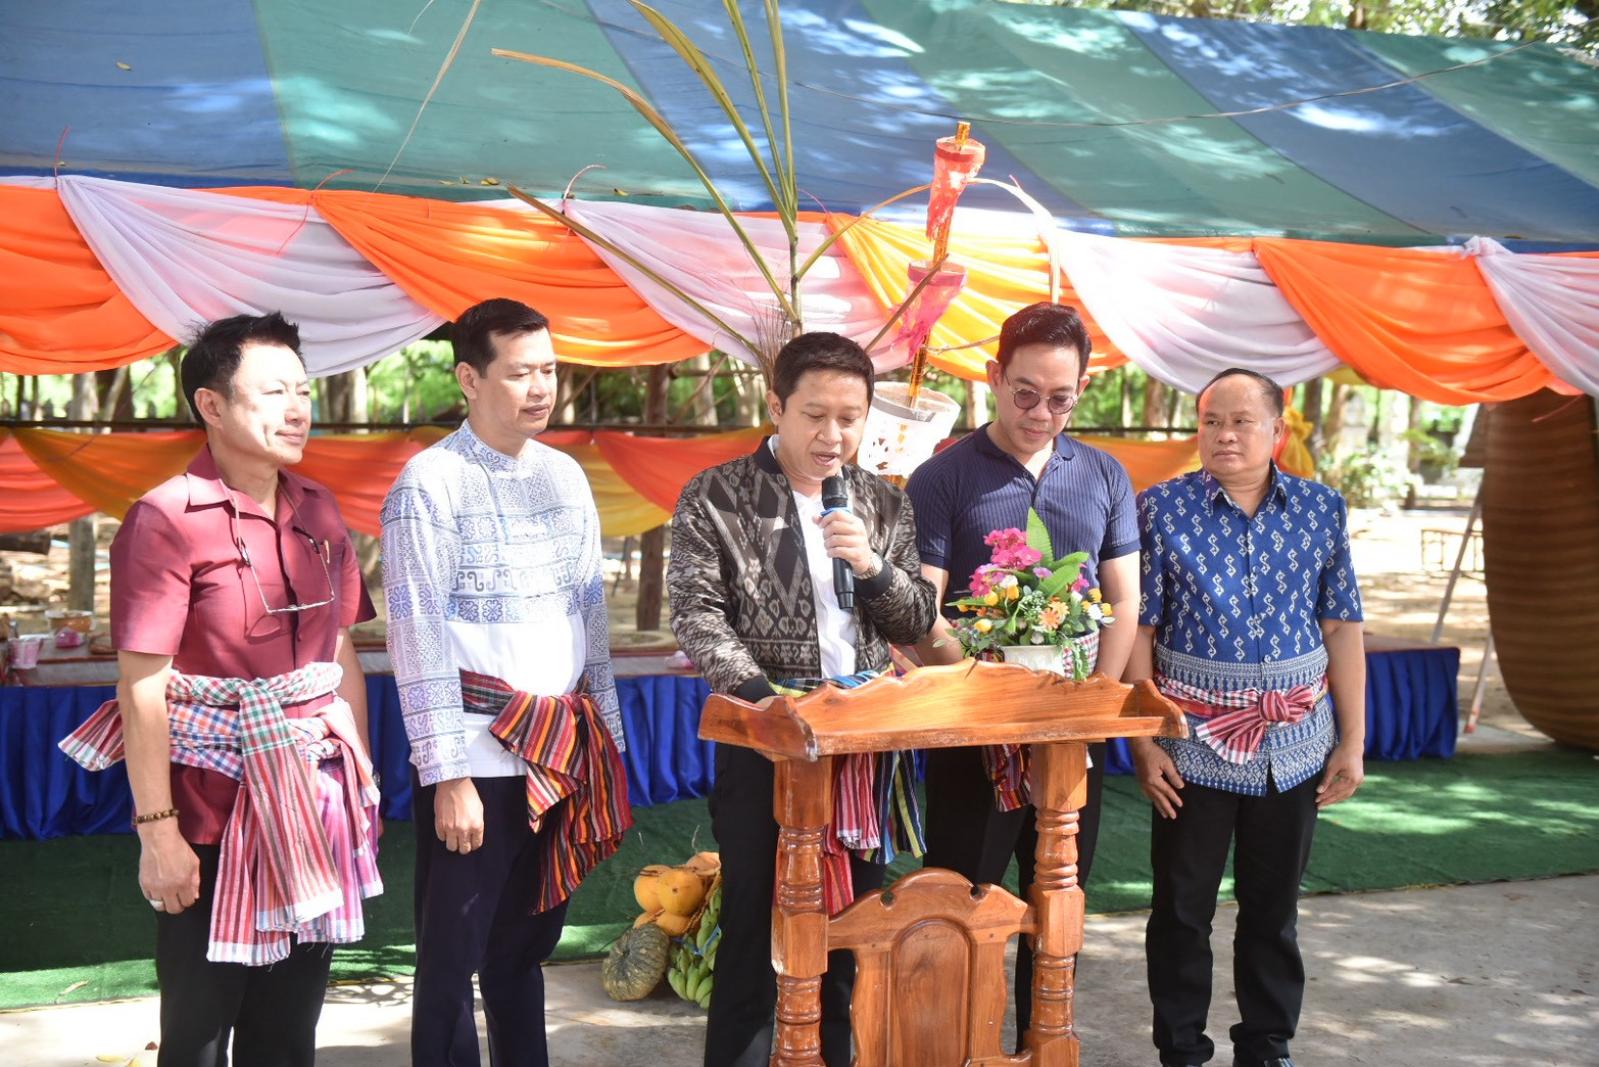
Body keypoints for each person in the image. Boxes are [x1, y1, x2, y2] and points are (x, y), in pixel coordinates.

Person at [60, 312, 380, 1066]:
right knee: (199, 1037)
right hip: (209, 814)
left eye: (303, 391)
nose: (296, 409)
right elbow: (143, 686)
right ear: (211, 404)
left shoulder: (319, 509)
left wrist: (359, 790)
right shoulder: (165, 519)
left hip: (312, 806)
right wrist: (158, 833)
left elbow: (340, 655)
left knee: (289, 1036)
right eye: (273, 392)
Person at [668, 332, 938, 1067]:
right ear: (776, 406)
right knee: (755, 924)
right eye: (815, 415)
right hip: (765, 741)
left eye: (850, 418)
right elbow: (697, 615)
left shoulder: (883, 501)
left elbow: (915, 619)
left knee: (851, 924)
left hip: (861, 750)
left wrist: (871, 564)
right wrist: (770, 706)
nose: (833, 435)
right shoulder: (716, 495)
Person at [382, 298, 631, 1067]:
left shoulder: (565, 476)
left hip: (556, 748)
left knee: (524, 949)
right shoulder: (429, 482)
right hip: (475, 755)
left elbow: (590, 615)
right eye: (520, 372)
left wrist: (606, 742)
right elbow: (416, 633)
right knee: (450, 958)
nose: (540, 387)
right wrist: (446, 772)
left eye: (548, 370)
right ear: (469, 378)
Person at [907, 301, 1139, 1043]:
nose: (1041, 414)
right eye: (1025, 394)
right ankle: (955, 1050)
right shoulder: (942, 478)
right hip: (971, 739)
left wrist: (1094, 710)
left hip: (1070, 742)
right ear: (993, 377)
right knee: (959, 907)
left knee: (1056, 909)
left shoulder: (1103, 475)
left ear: (1083, 389)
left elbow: (1123, 600)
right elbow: (923, 608)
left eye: (1061, 399)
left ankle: (1045, 1046)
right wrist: (980, 699)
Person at [1128, 367, 1366, 1067]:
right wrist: (1145, 741)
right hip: (1191, 743)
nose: (1224, 435)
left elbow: (1341, 626)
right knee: (1181, 908)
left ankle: (1266, 1046)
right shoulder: (1159, 509)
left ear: (1276, 431)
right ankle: (1180, 1050)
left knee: (1273, 908)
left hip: (1296, 743)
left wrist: (1352, 740)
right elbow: (1139, 630)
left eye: (1240, 421)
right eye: (1210, 421)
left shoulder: (1321, 509)